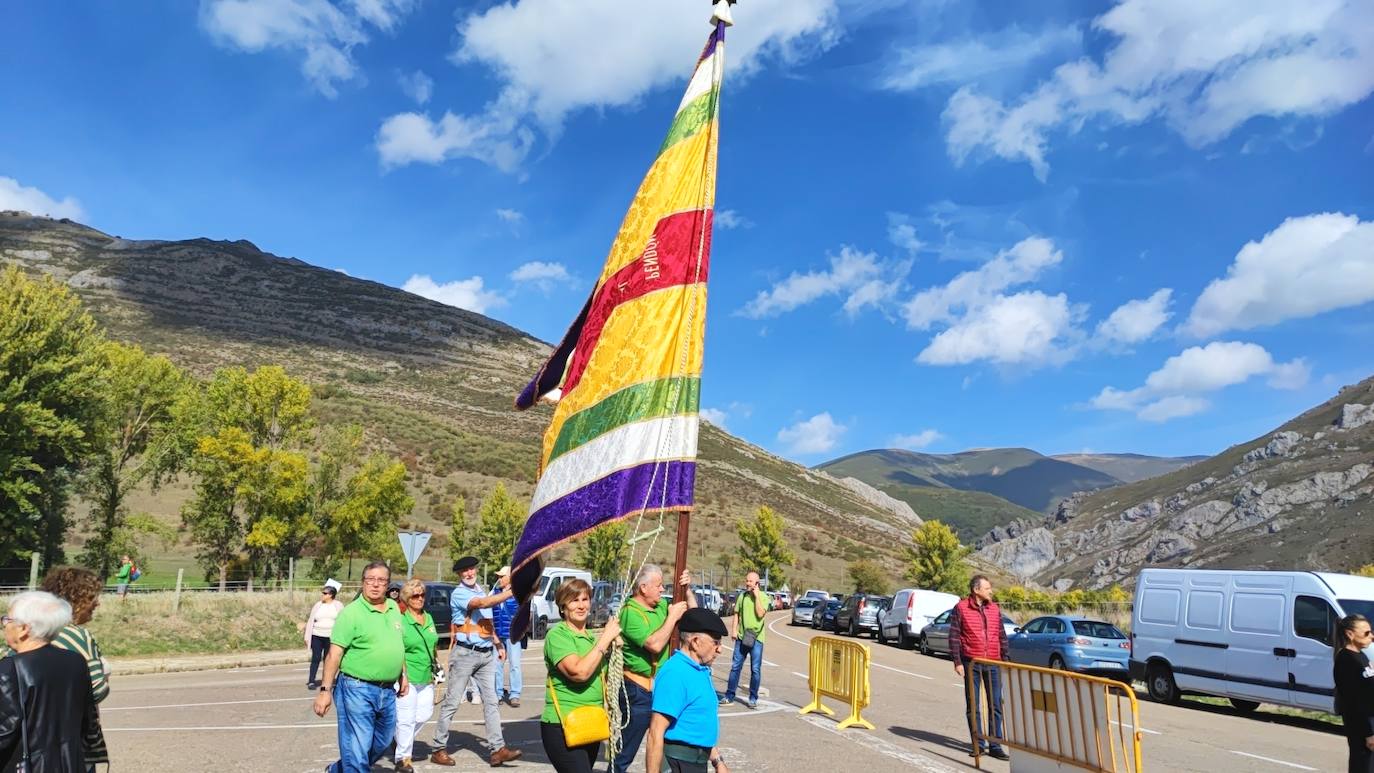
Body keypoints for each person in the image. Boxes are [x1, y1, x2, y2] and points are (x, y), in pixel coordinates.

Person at [313, 561, 409, 773]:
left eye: (381, 580)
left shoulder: (393, 607)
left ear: (387, 584)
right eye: (370, 580)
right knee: (357, 748)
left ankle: (338, 769)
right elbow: (333, 655)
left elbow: (396, 642)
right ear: (363, 583)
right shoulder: (351, 613)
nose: (375, 585)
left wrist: (403, 674)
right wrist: (324, 691)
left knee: (383, 742)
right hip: (356, 688)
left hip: (387, 690)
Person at [430, 556, 522, 767]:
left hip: (485, 654)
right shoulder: (460, 593)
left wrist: (497, 644)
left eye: (472, 569)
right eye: (465, 571)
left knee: (491, 702)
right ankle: (438, 748)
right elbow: (483, 604)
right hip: (464, 654)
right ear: (459, 575)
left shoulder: (480, 589)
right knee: (452, 703)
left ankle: (497, 749)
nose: (470, 573)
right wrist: (512, 591)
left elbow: (485, 622)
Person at [0, 591, 100, 773]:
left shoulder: (9, 669)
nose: (4, 625)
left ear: (24, 629)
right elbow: (87, 721)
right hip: (71, 763)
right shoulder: (76, 662)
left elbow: (4, 732)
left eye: (7, 620)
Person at [614, 564, 694, 773]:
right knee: (625, 754)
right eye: (658, 586)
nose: (662, 590)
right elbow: (655, 644)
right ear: (643, 588)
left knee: (664, 747)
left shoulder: (660, 606)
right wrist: (671, 617)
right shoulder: (630, 613)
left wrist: (687, 591)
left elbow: (693, 615)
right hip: (638, 691)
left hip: (662, 689)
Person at [540, 578, 622, 773]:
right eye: (574, 600)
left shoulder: (589, 637)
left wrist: (613, 651)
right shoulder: (558, 635)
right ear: (563, 606)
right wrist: (605, 641)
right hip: (563, 724)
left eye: (585, 599)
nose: (581, 605)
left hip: (591, 722)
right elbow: (579, 672)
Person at [40, 566, 111, 769]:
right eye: (91, 597)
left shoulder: (31, 631)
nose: (96, 603)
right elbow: (97, 691)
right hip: (72, 739)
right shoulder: (77, 636)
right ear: (74, 599)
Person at [645, 608, 731, 773]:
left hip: (696, 763)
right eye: (716, 642)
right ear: (696, 642)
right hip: (678, 764)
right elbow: (655, 732)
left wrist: (717, 761)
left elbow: (697, 724)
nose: (720, 649)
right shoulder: (675, 673)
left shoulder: (699, 670)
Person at [950, 574, 1011, 761]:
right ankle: (978, 744)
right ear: (976, 590)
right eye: (987, 588)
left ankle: (995, 745)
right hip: (971, 663)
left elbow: (1001, 635)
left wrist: (1006, 659)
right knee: (973, 705)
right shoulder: (960, 608)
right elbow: (954, 636)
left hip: (993, 662)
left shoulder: (994, 609)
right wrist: (957, 662)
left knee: (995, 705)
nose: (990, 591)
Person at [394, 577, 438, 773]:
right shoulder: (401, 621)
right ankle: (403, 759)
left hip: (426, 675)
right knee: (405, 718)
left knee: (424, 713)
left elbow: (433, 644)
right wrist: (402, 674)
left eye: (422, 595)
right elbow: (398, 650)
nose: (420, 599)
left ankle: (395, 739)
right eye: (415, 596)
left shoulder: (428, 617)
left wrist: (437, 667)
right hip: (407, 676)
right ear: (406, 598)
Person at [720, 571, 769, 709]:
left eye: (750, 581)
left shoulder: (764, 597)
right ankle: (729, 696)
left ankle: (753, 698)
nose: (747, 583)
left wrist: (756, 596)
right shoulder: (742, 596)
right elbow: (736, 614)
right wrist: (734, 630)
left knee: (755, 669)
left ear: (757, 584)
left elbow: (760, 614)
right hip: (741, 637)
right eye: (747, 581)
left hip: (757, 639)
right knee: (735, 667)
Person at [1334, 613, 1374, 773]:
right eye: (1366, 632)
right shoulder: (1346, 660)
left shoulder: (1361, 656)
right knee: (1363, 767)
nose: (1371, 636)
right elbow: (1354, 700)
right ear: (1350, 634)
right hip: (1361, 726)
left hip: (1369, 721)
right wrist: (1369, 733)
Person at [490, 566, 524, 708]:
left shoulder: (518, 593)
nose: (499, 579)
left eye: (502, 576)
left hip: (513, 635)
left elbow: (524, 614)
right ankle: (497, 694)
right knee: (496, 665)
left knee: (514, 665)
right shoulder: (494, 593)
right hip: (498, 635)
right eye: (498, 576)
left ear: (510, 577)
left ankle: (515, 694)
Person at [306, 581, 345, 689]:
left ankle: (326, 681)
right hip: (317, 635)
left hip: (331, 637)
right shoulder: (318, 605)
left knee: (329, 659)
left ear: (331, 595)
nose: (322, 595)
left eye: (325, 593)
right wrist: (307, 636)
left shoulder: (338, 605)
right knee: (316, 658)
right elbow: (310, 621)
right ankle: (311, 681)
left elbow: (343, 621)